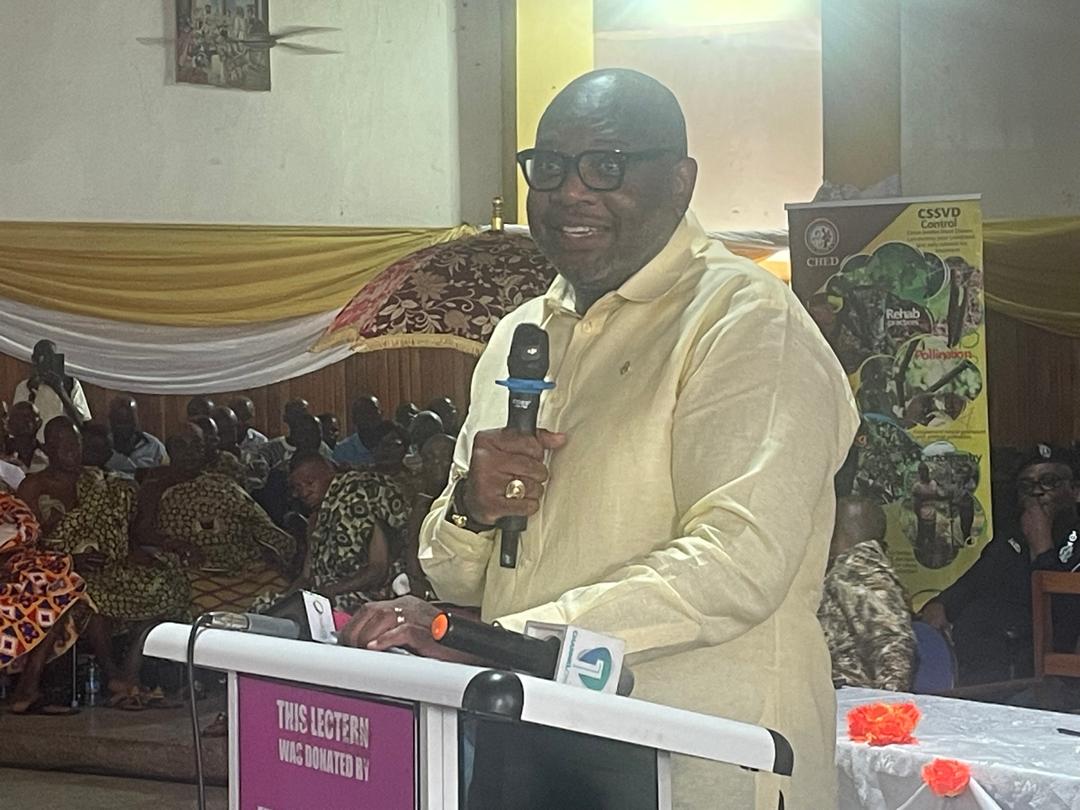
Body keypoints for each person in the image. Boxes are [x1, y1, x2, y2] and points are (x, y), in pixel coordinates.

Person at [340, 69, 858, 809]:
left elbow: (738, 562)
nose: (571, 192)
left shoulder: (746, 322)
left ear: (680, 182)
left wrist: (502, 640)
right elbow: (459, 580)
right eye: (549, 167)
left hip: (693, 753)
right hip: (528, 732)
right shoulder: (521, 334)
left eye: (606, 166)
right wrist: (472, 509)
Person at [18, 417, 190, 708]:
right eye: (63, 445)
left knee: (167, 585)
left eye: (76, 444)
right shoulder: (34, 486)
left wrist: (135, 550)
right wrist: (70, 559)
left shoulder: (97, 482)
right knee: (89, 601)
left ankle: (130, 670)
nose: (73, 451)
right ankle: (114, 676)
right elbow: (25, 543)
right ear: (47, 449)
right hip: (59, 570)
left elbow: (120, 530)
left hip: (106, 567)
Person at [919, 444, 1080, 684]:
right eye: (1026, 486)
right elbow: (975, 581)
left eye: (1049, 482)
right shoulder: (1012, 538)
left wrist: (1043, 548)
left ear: (1075, 491)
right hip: (985, 670)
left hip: (1045, 678)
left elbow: (1062, 617)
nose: (1037, 492)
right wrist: (942, 603)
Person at [134, 423, 296, 616]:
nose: (190, 452)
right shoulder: (155, 487)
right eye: (181, 445)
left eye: (196, 445)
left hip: (241, 562)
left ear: (205, 450)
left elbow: (257, 519)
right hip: (191, 566)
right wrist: (173, 544)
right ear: (169, 450)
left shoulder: (223, 484)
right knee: (198, 599)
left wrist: (274, 547)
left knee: (280, 588)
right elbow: (141, 531)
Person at [257, 452, 409, 613]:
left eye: (310, 483)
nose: (304, 493)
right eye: (298, 487)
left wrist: (330, 591)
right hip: (321, 596)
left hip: (362, 596)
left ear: (330, 475)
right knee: (266, 607)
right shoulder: (315, 521)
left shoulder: (361, 500)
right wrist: (286, 602)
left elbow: (377, 570)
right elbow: (306, 577)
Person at [1, 493, 90, 715]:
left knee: (61, 593)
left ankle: (28, 687)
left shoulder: (8, 504)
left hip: (13, 576)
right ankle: (27, 689)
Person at [818, 496, 916, 691]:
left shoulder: (858, 569)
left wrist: (887, 703)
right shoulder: (849, 568)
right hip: (840, 695)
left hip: (851, 698)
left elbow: (892, 642)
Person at [13, 340, 92, 439]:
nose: (48, 361)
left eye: (52, 357)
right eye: (43, 356)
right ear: (34, 359)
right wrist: (31, 393)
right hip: (36, 444)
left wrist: (61, 391)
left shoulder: (71, 384)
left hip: (63, 444)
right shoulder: (24, 387)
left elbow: (82, 423)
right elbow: (17, 424)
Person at [106, 396, 168, 477]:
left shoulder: (154, 446)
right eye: (119, 422)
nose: (124, 427)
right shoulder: (102, 446)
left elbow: (166, 473)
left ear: (137, 419)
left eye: (128, 421)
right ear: (110, 421)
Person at [192, 414, 247, 490]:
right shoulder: (189, 463)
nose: (216, 440)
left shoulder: (228, 460)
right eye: (208, 438)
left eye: (215, 436)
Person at [333, 396, 382, 468]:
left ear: (381, 415)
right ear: (354, 419)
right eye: (363, 413)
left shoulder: (391, 446)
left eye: (372, 412)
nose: (368, 417)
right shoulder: (342, 451)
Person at [2, 402, 47, 477]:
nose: (24, 422)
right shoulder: (3, 449)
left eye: (29, 417)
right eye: (17, 417)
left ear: (39, 423)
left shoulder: (46, 455)